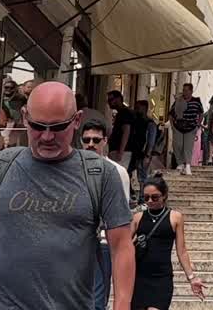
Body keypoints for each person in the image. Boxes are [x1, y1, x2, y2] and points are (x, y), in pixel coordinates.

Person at [0, 82, 134, 310]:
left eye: (58, 127)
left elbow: (121, 246)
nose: (46, 136)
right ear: (24, 117)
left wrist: (122, 305)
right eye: (37, 126)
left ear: (76, 120)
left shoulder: (100, 174)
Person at [131, 177, 206, 309]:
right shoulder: (138, 217)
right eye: (146, 197)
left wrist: (191, 277)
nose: (149, 201)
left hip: (162, 277)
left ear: (164, 195)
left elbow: (181, 250)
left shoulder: (175, 217)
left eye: (155, 197)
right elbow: (125, 246)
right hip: (139, 276)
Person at [81, 119, 132, 310]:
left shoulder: (117, 172)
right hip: (74, 241)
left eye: (95, 140)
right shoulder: (71, 169)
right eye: (87, 140)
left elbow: (121, 216)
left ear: (105, 140)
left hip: (102, 242)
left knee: (97, 299)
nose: (91, 144)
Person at [169, 84, 205, 175]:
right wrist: (172, 126)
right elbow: (171, 113)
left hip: (191, 127)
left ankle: (188, 165)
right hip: (178, 127)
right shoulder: (178, 101)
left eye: (186, 90)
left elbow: (201, 113)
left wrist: (198, 124)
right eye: (183, 90)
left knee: (188, 147)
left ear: (191, 91)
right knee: (177, 145)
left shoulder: (196, 101)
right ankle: (180, 163)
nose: (184, 92)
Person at [109, 91, 137, 171]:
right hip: (120, 150)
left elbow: (126, 131)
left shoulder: (124, 113)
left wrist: (121, 152)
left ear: (118, 99)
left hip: (122, 151)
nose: (109, 102)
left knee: (119, 174)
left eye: (111, 99)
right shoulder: (121, 113)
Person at [131, 100, 153, 185]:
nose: (135, 110)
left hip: (143, 152)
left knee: (142, 174)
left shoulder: (149, 123)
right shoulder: (136, 121)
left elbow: (151, 140)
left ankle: (142, 194)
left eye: (138, 108)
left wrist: (148, 154)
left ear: (144, 109)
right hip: (135, 151)